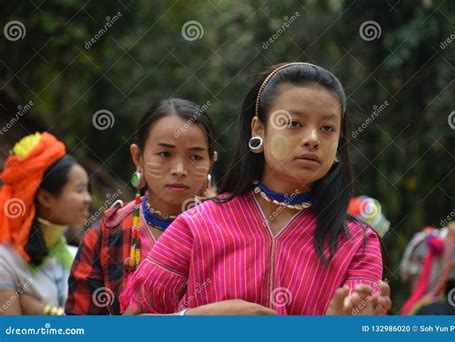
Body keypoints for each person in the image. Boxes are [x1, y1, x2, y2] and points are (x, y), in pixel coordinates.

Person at [120, 62, 391, 316]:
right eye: (294, 123)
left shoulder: (357, 243)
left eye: (328, 128)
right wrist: (196, 319)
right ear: (258, 130)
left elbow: (358, 320)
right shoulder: (197, 225)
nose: (312, 139)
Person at [66, 98, 218, 314]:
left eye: (195, 156)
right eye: (165, 154)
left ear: (210, 161)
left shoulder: (231, 231)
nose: (179, 169)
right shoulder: (105, 236)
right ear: (138, 157)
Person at [0, 132, 91, 315]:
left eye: (88, 190)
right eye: (79, 190)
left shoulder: (78, 258)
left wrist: (42, 311)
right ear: (45, 197)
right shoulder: (6, 261)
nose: (88, 199)